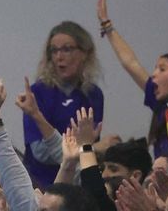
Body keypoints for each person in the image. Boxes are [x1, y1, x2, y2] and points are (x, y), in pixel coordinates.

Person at [97, 0, 168, 157]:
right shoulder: (163, 105)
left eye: (162, 69)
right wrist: (107, 25)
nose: (154, 74)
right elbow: (131, 63)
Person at [21, 20, 105, 188]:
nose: (59, 57)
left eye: (67, 49)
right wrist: (96, 149)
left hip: (78, 185)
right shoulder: (37, 93)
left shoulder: (93, 95)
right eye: (54, 50)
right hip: (42, 184)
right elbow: (40, 152)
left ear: (84, 53)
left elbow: (89, 146)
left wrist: (90, 149)